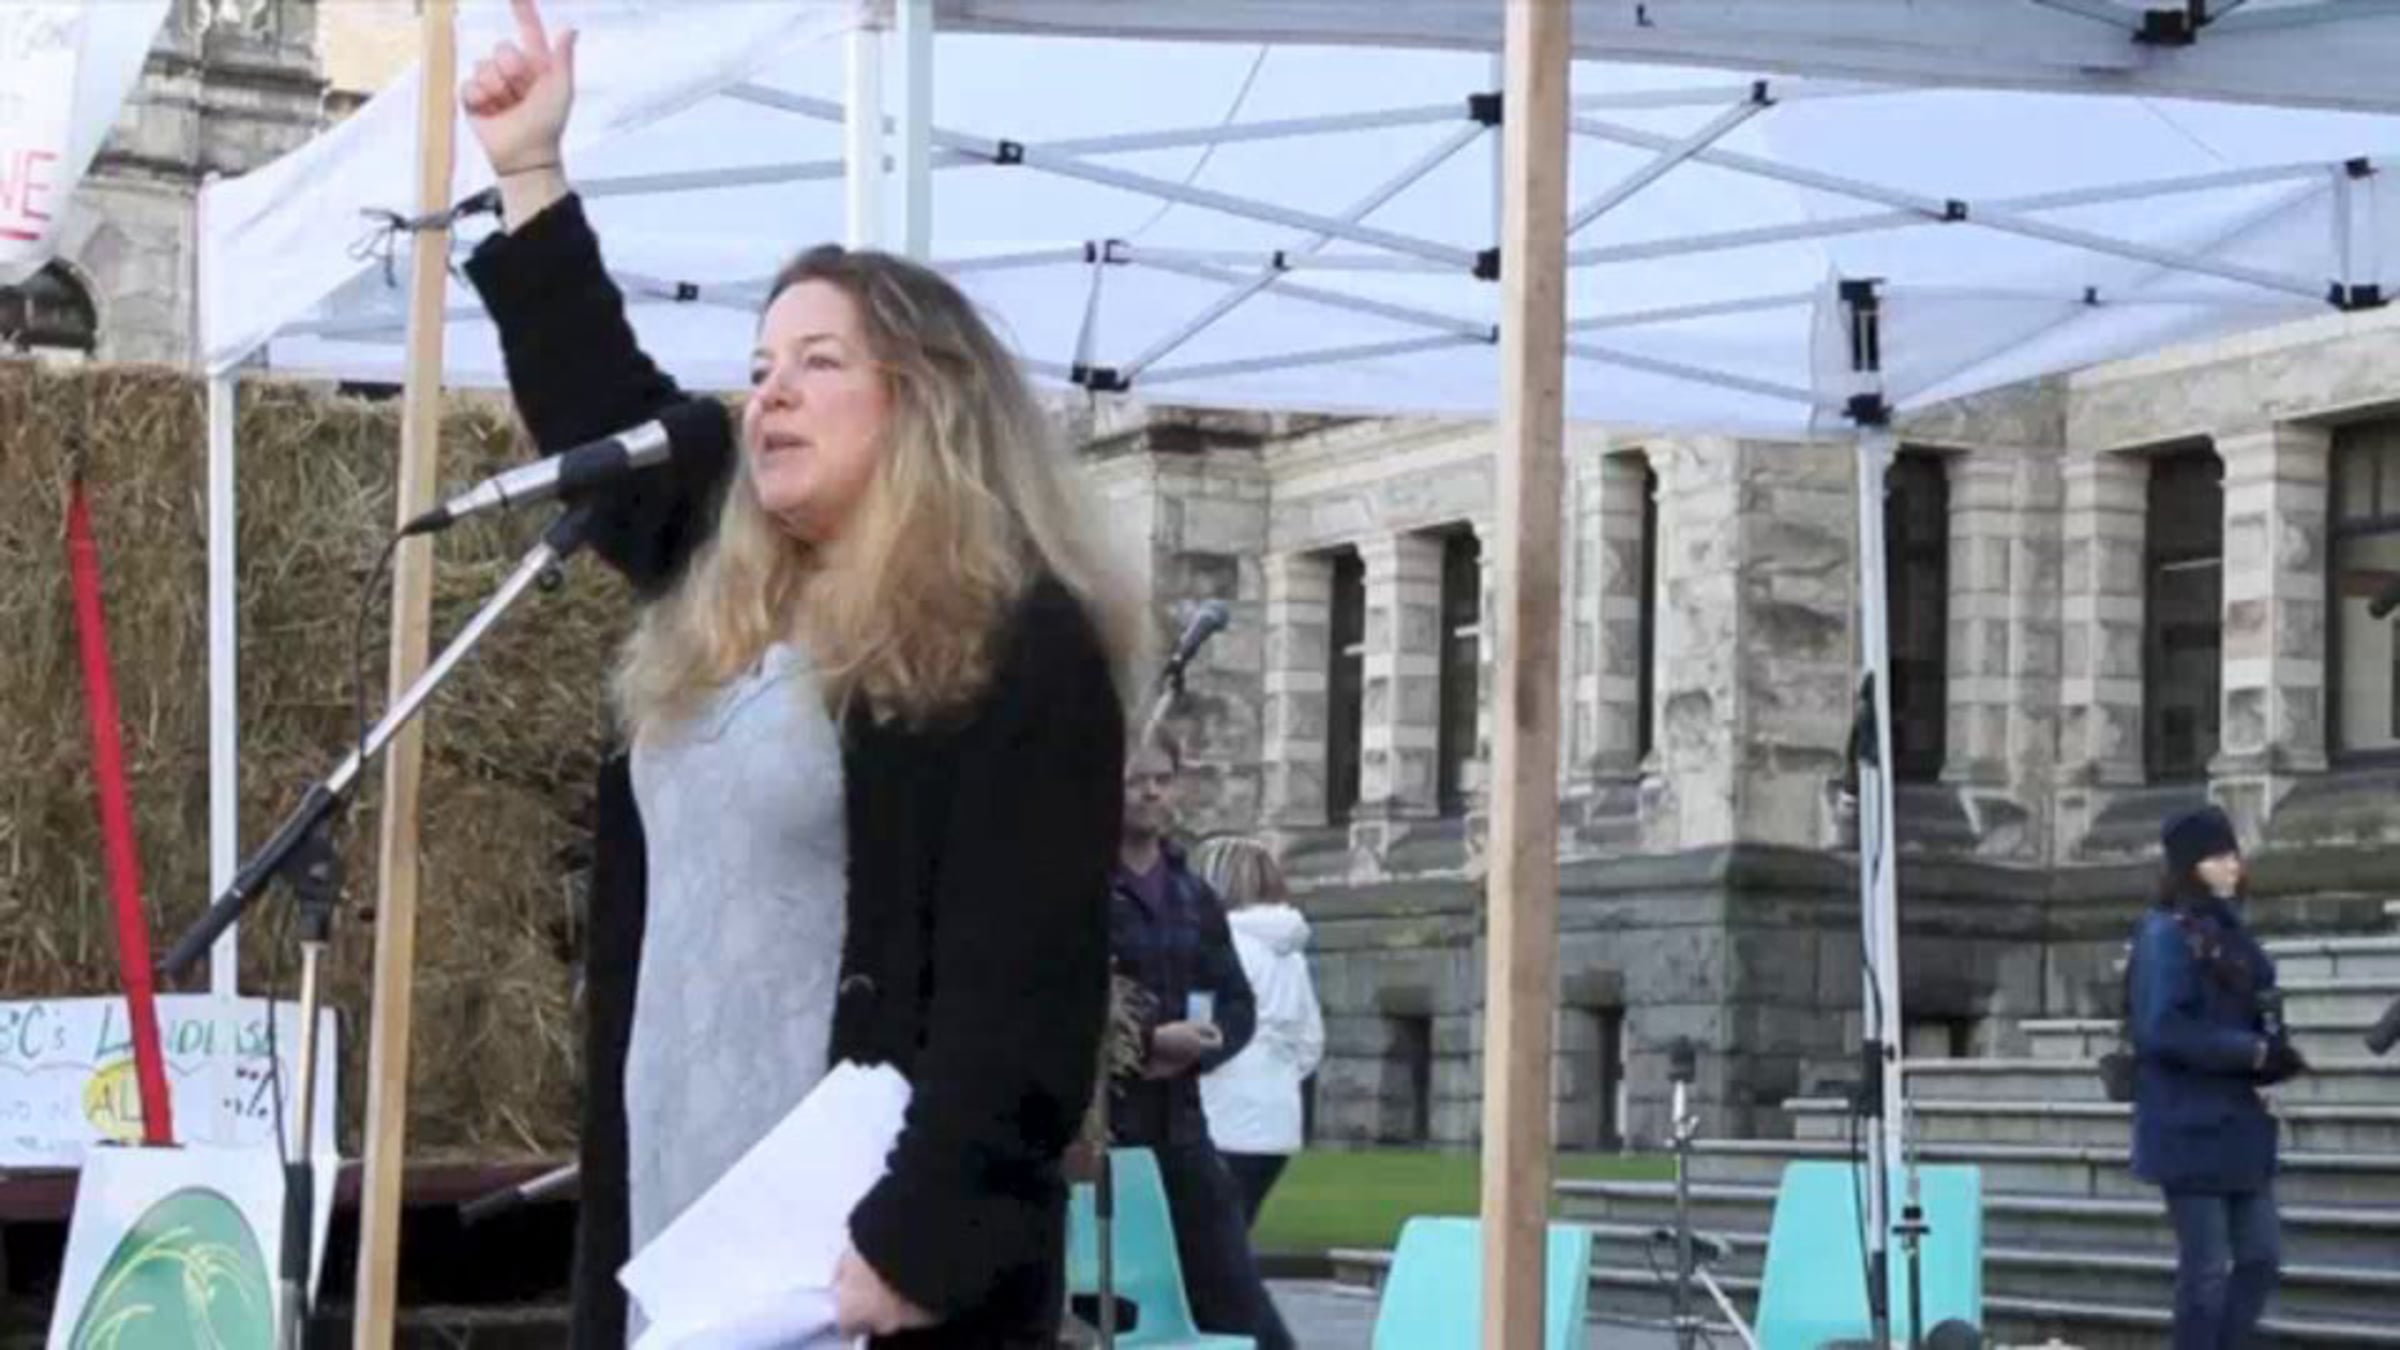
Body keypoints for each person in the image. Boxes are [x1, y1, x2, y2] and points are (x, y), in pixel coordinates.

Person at [457, 4, 1136, 1345]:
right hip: (679, 1229)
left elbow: (1028, 988)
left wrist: (914, 1247)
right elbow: (603, 404)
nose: (768, 392)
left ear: (925, 398)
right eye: (761, 366)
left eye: (818, 364)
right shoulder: (727, 578)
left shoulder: (1009, 637)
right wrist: (530, 167)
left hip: (853, 1264)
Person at [1110, 737, 1292, 1350]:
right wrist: (1144, 1045)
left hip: (1183, 1128)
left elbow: (1237, 1001)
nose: (1151, 792)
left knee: (1238, 1301)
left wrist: (1204, 1046)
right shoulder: (1078, 888)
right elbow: (1063, 1004)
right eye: (1136, 780)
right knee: (1108, 1309)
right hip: (1105, 1133)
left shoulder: (1194, 895)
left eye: (1162, 779)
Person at [2128, 804, 2302, 1350]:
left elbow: (2253, 1006)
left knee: (2260, 1257)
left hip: (2238, 1125)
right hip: (2186, 1124)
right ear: (2191, 866)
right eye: (2219, 857)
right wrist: (2249, 1051)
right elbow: (2162, 1028)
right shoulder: (2164, 934)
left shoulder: (2233, 932)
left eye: (2234, 855)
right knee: (2204, 1272)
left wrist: (2273, 1052)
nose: (2233, 866)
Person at [1191, 836, 1324, 1228]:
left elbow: (1198, 1030)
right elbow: (1310, 1043)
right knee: (1233, 1228)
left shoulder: (1217, 947)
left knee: (1204, 1237)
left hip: (1219, 1116)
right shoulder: (1290, 955)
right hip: (1276, 1121)